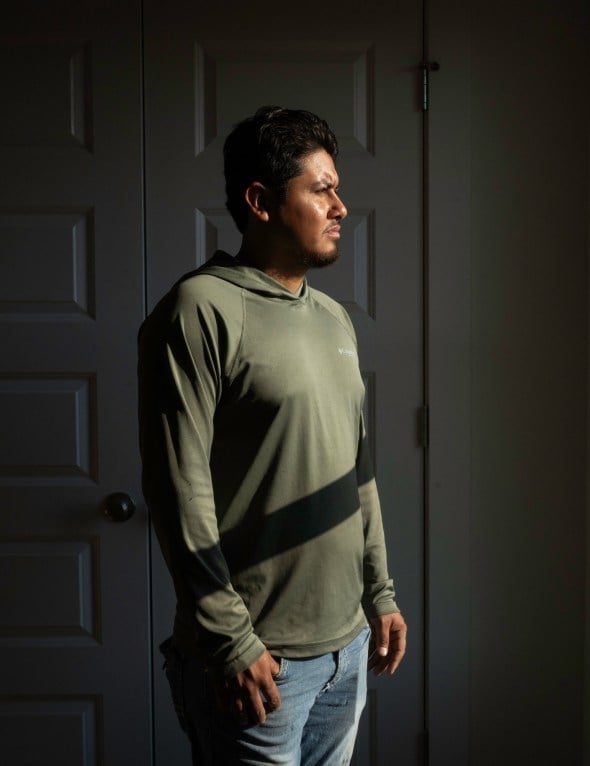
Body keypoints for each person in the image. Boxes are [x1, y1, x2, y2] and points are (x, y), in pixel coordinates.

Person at [137, 105, 406, 766]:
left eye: (336, 188)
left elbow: (357, 471)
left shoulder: (333, 318)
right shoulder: (199, 310)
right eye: (320, 190)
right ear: (260, 201)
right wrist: (230, 640)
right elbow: (178, 491)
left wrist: (381, 594)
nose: (340, 206)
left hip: (346, 651)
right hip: (258, 661)